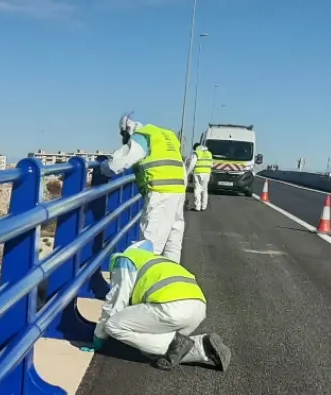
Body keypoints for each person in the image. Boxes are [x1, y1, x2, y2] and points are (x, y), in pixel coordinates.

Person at [92, 240, 230, 371]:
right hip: (197, 309)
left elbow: (115, 303)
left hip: (171, 308)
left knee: (113, 325)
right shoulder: (156, 260)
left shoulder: (124, 261)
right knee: (148, 342)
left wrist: (98, 338)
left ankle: (183, 345)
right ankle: (201, 346)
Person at [100, 115, 187, 262]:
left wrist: (103, 168)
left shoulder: (142, 137)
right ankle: (170, 273)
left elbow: (118, 162)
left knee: (149, 246)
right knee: (173, 242)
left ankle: (146, 274)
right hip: (178, 191)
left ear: (127, 131)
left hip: (160, 193)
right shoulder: (165, 135)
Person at [185, 142, 213, 211]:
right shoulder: (209, 153)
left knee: (197, 189)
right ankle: (204, 207)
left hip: (198, 173)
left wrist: (187, 173)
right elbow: (211, 164)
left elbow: (192, 163)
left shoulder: (197, 153)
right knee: (204, 190)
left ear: (195, 148)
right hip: (207, 173)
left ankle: (197, 207)